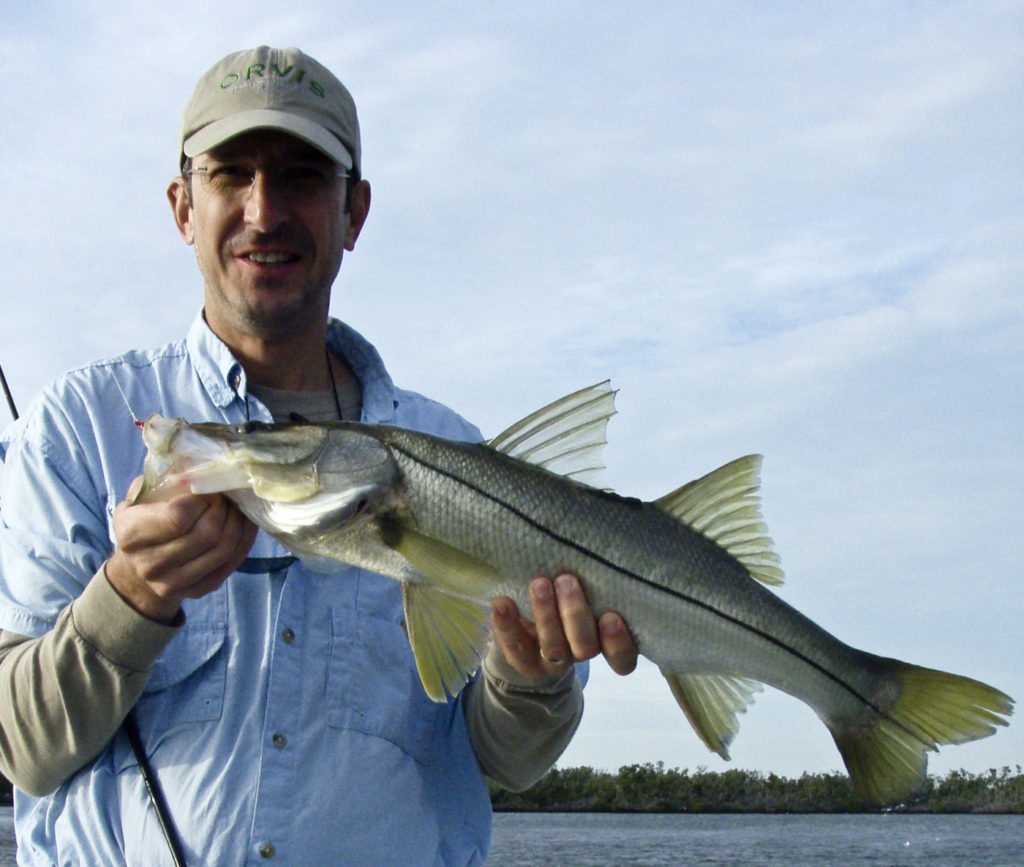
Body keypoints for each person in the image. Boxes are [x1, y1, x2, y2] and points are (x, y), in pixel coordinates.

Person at [0, 46, 637, 865]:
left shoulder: (467, 460)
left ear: (354, 212)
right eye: (231, 174)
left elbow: (507, 763)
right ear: (182, 206)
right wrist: (128, 598)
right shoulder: (75, 429)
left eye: (302, 176)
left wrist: (530, 674)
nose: (265, 211)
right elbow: (22, 747)